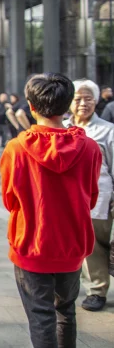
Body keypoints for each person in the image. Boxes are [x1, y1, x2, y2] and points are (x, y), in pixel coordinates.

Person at [0, 73, 101, 348]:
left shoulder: (15, 149)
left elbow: (10, 201)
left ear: (31, 107)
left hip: (31, 242)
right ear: (68, 105)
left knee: (40, 315)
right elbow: (91, 197)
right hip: (72, 243)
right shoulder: (90, 148)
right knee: (66, 311)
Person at [67, 80, 114, 313]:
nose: (83, 103)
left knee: (99, 244)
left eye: (88, 98)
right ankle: (96, 290)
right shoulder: (62, 128)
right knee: (87, 248)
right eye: (77, 99)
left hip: (101, 199)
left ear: (96, 101)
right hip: (71, 200)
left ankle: (97, 289)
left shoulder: (108, 130)